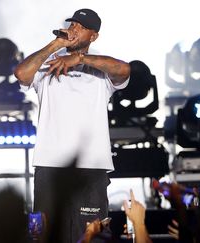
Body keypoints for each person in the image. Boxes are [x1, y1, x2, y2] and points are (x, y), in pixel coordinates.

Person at [14, 8, 131, 243]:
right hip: (50, 166)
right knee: (45, 236)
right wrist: (54, 46)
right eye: (73, 24)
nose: (74, 29)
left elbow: (125, 69)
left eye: (81, 26)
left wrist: (79, 58)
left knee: (90, 235)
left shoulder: (101, 69)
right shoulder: (47, 64)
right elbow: (21, 74)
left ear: (93, 36)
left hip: (90, 167)